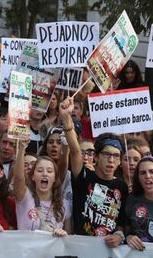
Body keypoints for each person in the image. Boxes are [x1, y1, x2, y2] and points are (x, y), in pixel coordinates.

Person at [62, 97, 128, 248]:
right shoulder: (84, 176)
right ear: (96, 157)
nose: (111, 160)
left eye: (116, 156)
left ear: (119, 161)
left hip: (107, 252)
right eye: (107, 154)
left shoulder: (122, 187)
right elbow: (75, 150)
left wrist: (119, 236)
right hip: (81, 249)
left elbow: (121, 223)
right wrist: (66, 117)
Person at [14, 137, 71, 236]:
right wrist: (22, 148)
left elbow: (69, 238)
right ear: (32, 176)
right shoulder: (24, 197)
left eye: (49, 171)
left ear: (54, 178)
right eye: (40, 171)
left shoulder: (64, 204)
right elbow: (19, 178)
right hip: (26, 251)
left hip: (53, 251)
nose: (44, 174)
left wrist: (63, 234)